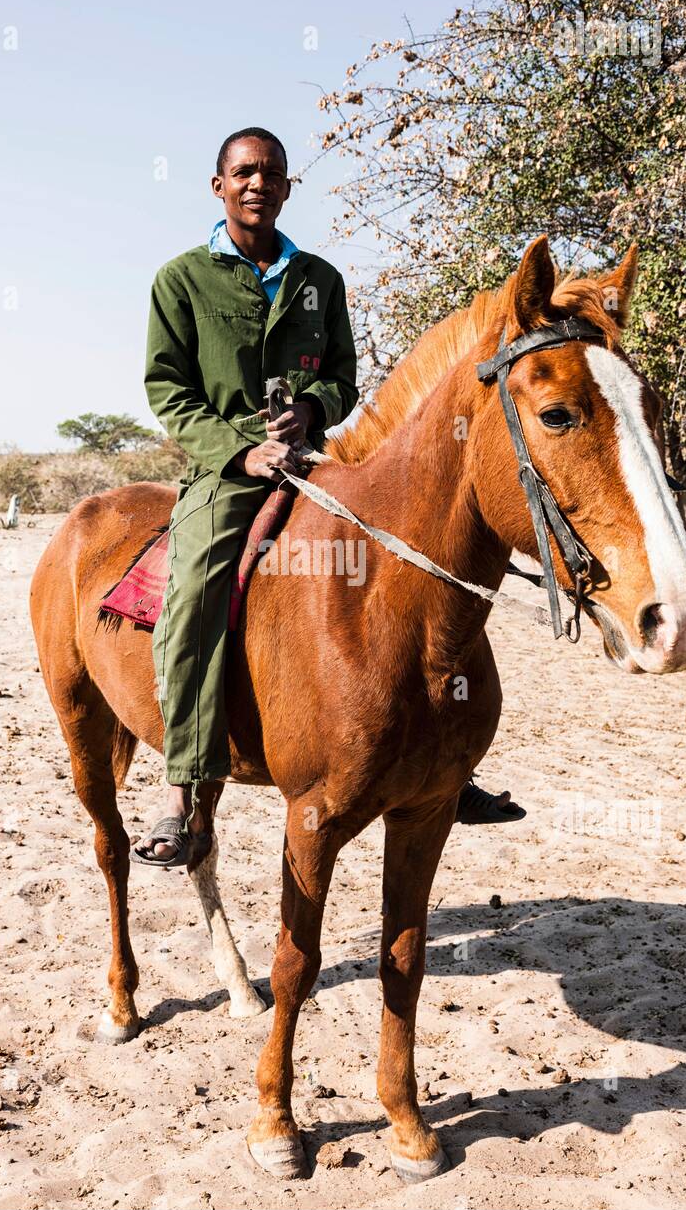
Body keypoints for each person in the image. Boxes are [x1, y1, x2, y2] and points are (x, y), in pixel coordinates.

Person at [135, 126, 522, 868]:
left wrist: (311, 410)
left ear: (286, 188)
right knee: (195, 592)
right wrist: (241, 449)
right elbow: (168, 391)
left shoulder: (319, 277)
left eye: (272, 173)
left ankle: (448, 764)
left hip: (319, 459)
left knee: (428, 566)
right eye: (243, 172)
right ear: (219, 187)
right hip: (228, 473)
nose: (258, 184)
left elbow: (342, 377)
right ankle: (185, 790)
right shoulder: (180, 280)